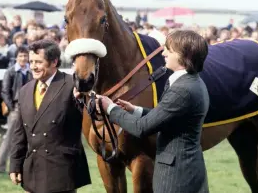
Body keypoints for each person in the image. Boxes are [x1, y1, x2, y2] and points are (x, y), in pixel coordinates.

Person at [84, 30, 210, 193]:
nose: (163, 53)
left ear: (182, 55)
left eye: (169, 50)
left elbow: (142, 128)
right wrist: (135, 110)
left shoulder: (182, 89)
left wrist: (111, 108)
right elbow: (166, 115)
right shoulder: (191, 82)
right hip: (184, 170)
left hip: (176, 176)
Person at [9, 40, 91, 193]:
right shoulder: (25, 90)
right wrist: (15, 164)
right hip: (32, 174)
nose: (33, 66)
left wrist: (81, 101)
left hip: (61, 174)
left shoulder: (72, 84)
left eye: (39, 62)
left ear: (54, 61)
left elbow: (88, 116)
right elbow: (19, 133)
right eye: (31, 61)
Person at [0, 46, 32, 173]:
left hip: (31, 107)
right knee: (10, 137)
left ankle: (27, 167)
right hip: (16, 107)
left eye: (25, 56)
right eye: (21, 56)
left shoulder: (31, 71)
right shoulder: (10, 71)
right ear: (16, 57)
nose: (23, 58)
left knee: (30, 137)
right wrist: (11, 108)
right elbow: (5, 91)